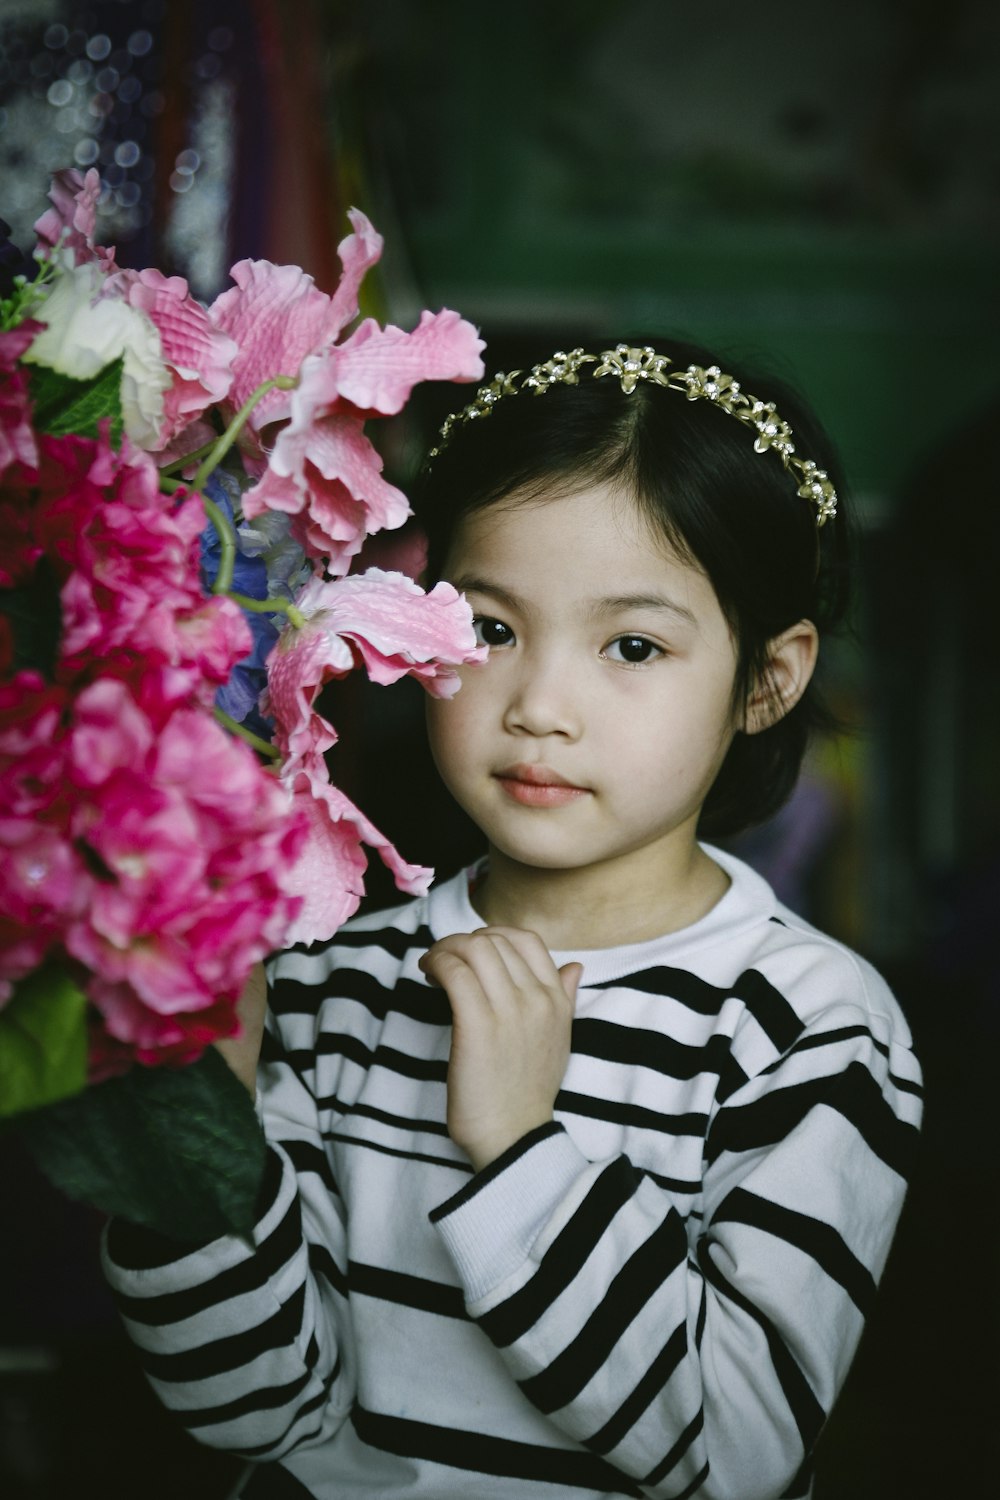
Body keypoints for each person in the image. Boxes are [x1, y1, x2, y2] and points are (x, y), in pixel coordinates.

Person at [102, 340, 922, 1500]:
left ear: (767, 680)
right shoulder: (332, 972)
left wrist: (521, 1152)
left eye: (631, 647)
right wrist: (200, 1136)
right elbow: (252, 1411)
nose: (538, 707)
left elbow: (735, 1455)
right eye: (489, 628)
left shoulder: (810, 1025)